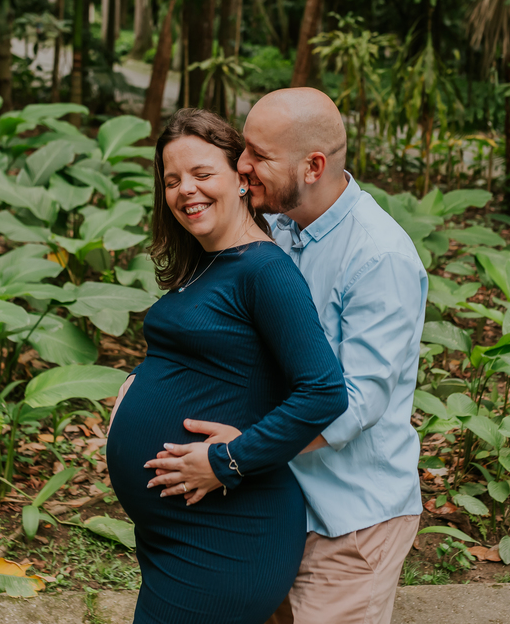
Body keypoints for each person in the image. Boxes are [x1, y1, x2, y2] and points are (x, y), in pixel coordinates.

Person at [152, 88, 429, 624]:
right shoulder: (275, 228)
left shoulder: (379, 257)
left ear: (313, 166)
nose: (243, 166)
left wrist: (238, 456)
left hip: (347, 519)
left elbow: (354, 403)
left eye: (258, 156)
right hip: (275, 508)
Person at [105, 108, 348, 624]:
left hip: (229, 537)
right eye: (172, 180)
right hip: (179, 530)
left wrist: (228, 460)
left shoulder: (265, 271)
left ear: (240, 178)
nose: (184, 190)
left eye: (201, 174)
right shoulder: (211, 262)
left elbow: (324, 391)